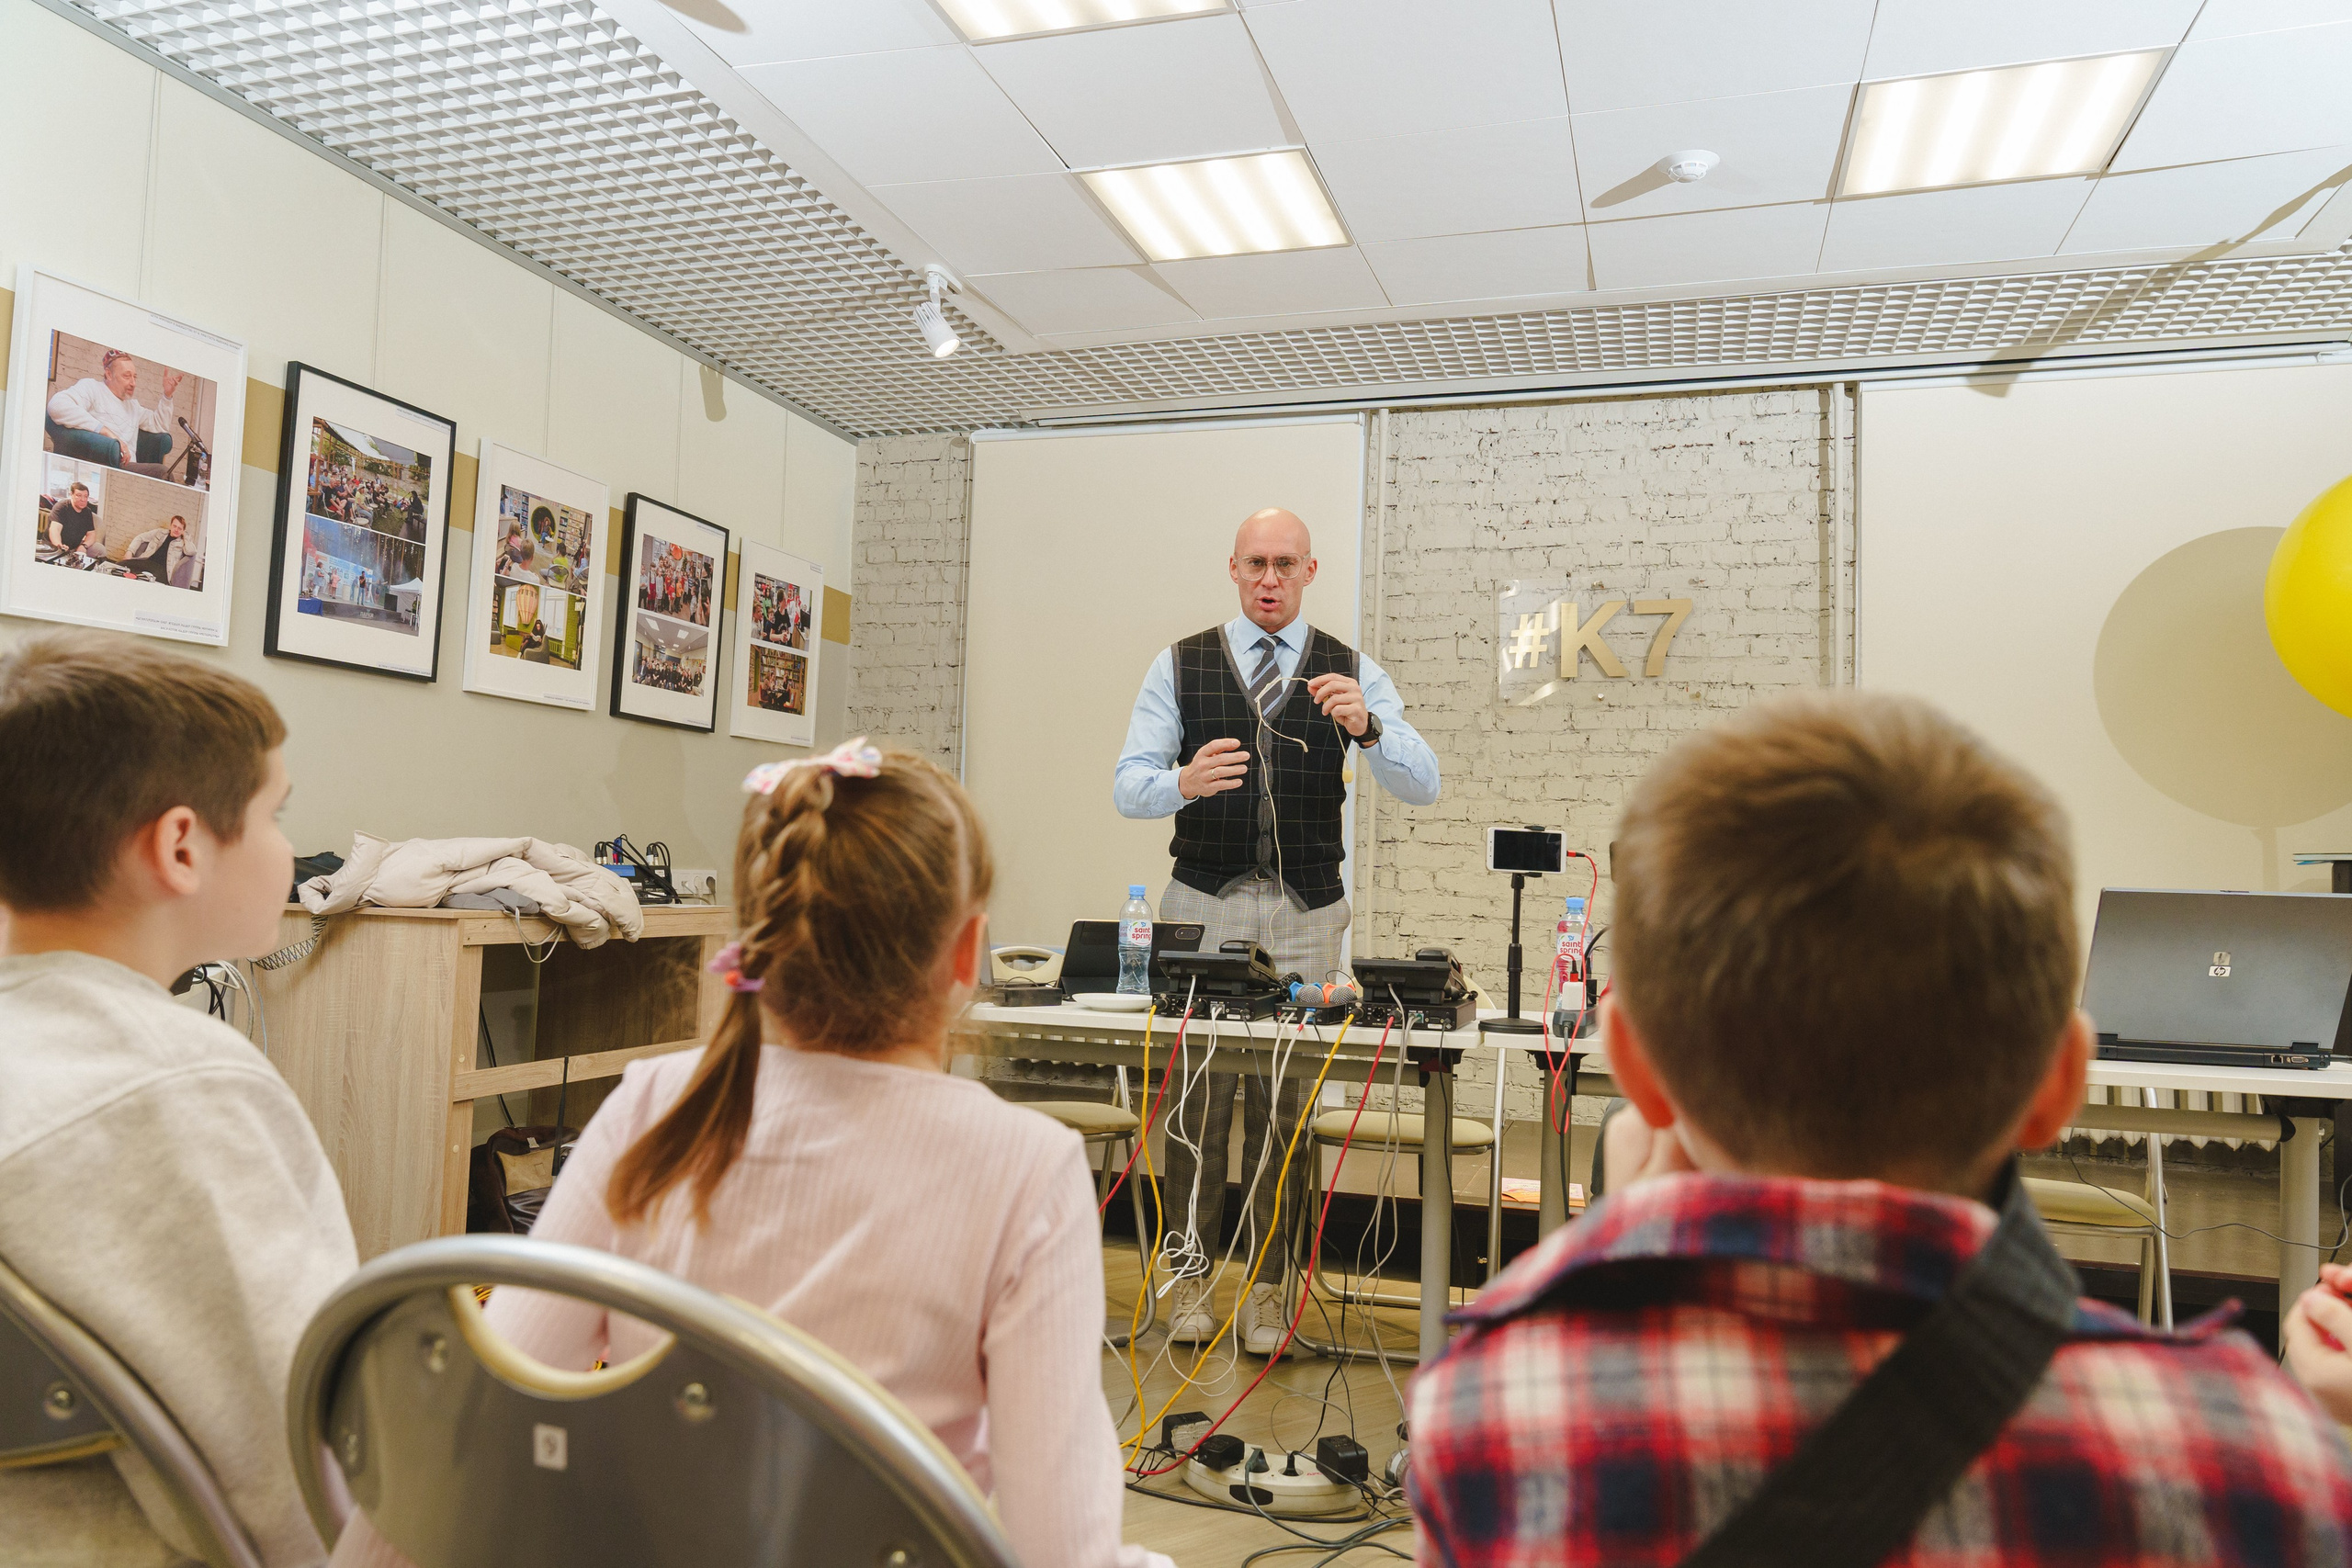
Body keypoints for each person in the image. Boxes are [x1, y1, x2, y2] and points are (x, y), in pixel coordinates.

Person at [1408, 691, 2352, 1565]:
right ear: (2058, 1081)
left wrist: (1622, 1229)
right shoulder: (2260, 1453)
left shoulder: (1485, 1407)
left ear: (1638, 1071)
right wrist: (2320, 1425)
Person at [327, 741, 1170, 1568]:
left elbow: (486, 1412)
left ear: (763, 937)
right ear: (966, 951)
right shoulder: (1027, 1167)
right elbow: (1060, 1548)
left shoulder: (655, 1107)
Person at [0, 630, 357, 1567]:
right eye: (278, 814)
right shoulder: (185, 1086)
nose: (289, 849)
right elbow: (308, 1474)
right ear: (181, 846)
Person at [1113, 507, 1440, 1354]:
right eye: (1255, 562)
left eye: (1285, 563)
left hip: (1306, 913)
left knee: (1283, 1112)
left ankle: (1267, 1294)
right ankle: (1187, 1281)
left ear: (1310, 571)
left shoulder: (1351, 670)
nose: (1269, 577)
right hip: (1202, 906)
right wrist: (1181, 780)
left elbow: (1424, 784)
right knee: (1192, 1105)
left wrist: (1368, 727)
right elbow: (1128, 785)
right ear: (1232, 568)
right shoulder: (1178, 664)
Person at [45, 349, 184, 476]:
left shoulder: (133, 406)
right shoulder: (92, 388)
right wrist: (105, 431)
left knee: (163, 474)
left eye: (135, 377)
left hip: (129, 468)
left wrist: (167, 395)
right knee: (162, 472)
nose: (133, 383)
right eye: (127, 376)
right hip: (102, 465)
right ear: (109, 374)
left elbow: (160, 426)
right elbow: (57, 405)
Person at [116, 513, 196, 587]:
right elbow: (140, 537)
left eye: (180, 528)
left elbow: (191, 551)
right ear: (170, 526)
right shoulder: (160, 532)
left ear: (182, 531)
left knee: (145, 581)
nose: (176, 530)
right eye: (174, 526)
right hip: (147, 561)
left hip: (163, 570)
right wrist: (130, 551)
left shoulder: (182, 542)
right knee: (121, 565)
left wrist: (185, 536)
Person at [44, 480, 100, 552]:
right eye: (79, 495)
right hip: (53, 546)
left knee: (99, 549)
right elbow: (55, 530)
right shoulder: (61, 507)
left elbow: (91, 534)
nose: (83, 500)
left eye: (85, 496)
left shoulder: (87, 512)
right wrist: (59, 546)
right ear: (71, 494)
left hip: (74, 548)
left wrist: (84, 546)